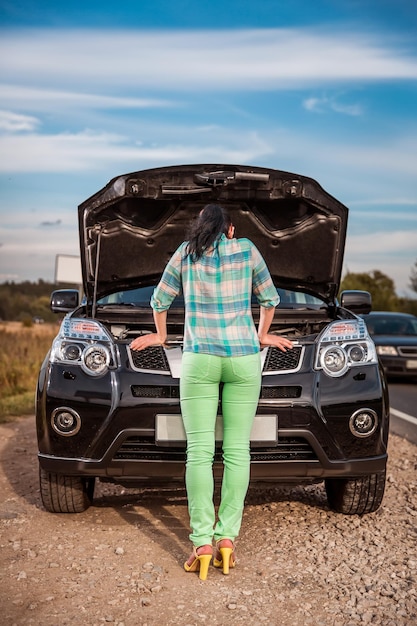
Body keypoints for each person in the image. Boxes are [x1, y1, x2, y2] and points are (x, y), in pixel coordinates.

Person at [130, 203, 293, 580]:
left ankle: (202, 542)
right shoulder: (247, 249)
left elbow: (159, 300)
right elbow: (270, 299)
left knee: (199, 452)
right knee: (238, 450)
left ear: (200, 228)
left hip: (200, 359)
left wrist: (160, 335)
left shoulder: (185, 253)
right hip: (243, 358)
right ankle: (227, 540)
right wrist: (263, 335)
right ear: (230, 230)